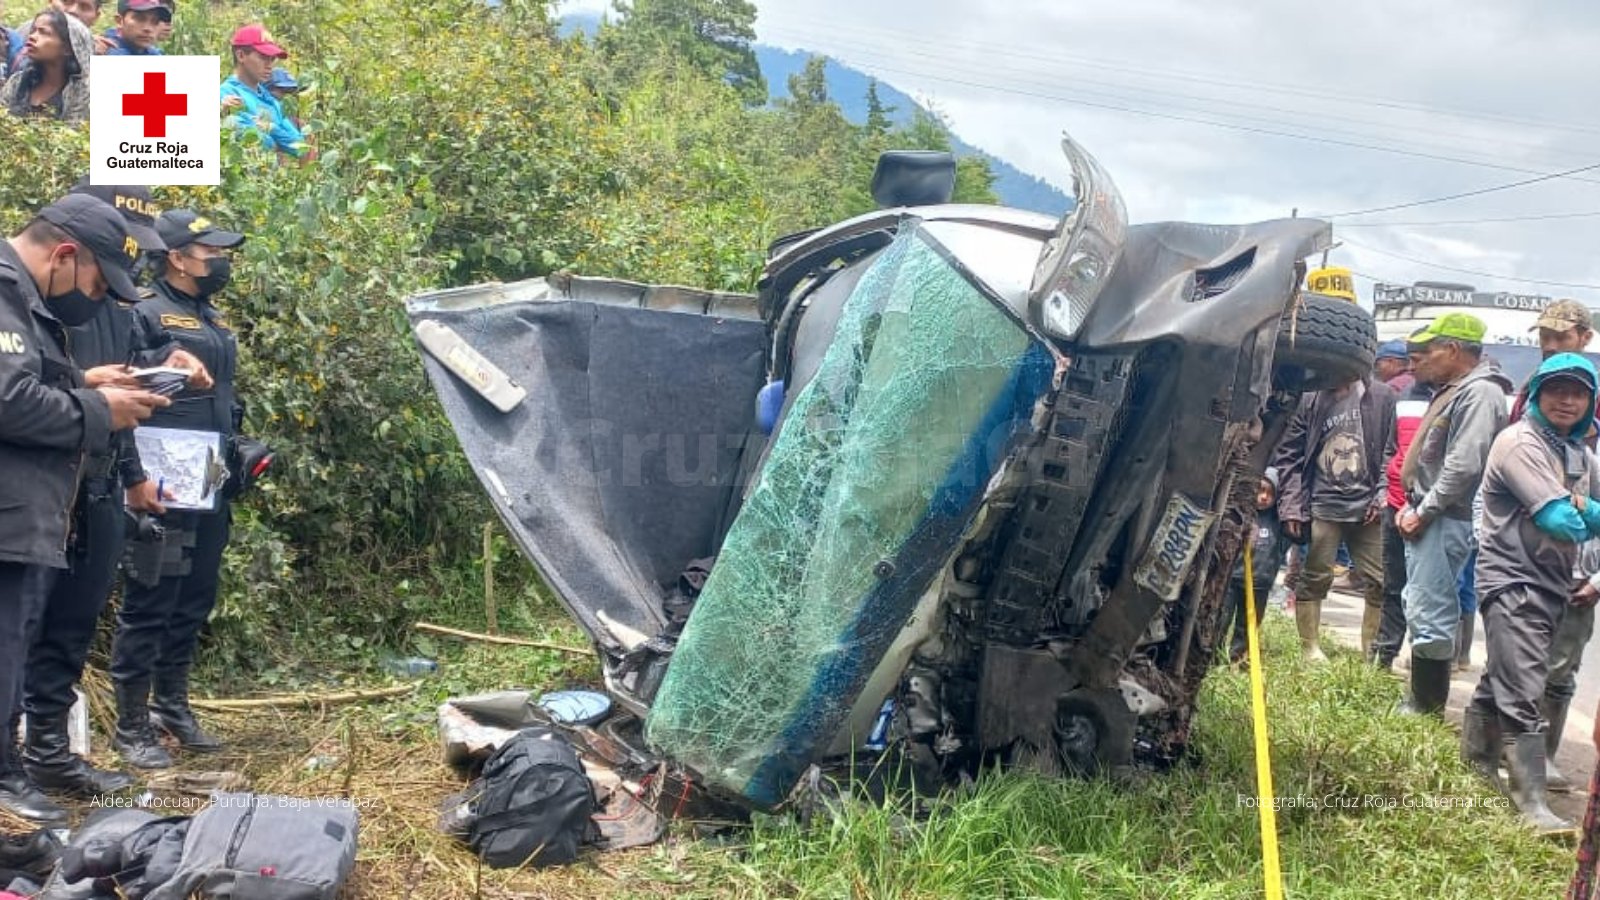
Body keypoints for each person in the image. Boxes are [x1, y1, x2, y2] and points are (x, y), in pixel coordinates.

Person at [19, 182, 211, 800]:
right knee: (21, 625)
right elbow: (30, 392)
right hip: (41, 482)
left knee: (71, 624)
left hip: (94, 479)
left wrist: (168, 362)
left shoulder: (113, 303)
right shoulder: (38, 298)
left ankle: (49, 753)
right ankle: (17, 763)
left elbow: (116, 395)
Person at [0, 193, 167, 822]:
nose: (95, 298)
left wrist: (82, 382)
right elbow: (8, 400)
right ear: (66, 254)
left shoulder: (24, 296)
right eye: (98, 281)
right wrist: (100, 411)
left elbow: (25, 380)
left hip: (23, 510)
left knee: (15, 645)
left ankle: (17, 766)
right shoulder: (5, 289)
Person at [110, 209, 246, 768]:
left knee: (194, 597)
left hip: (209, 474)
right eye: (210, 251)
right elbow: (114, 383)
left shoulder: (209, 316)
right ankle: (132, 726)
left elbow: (220, 397)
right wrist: (132, 478)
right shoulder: (143, 313)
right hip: (159, 479)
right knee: (151, 598)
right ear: (177, 257)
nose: (220, 260)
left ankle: (172, 707)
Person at [1462, 353, 1600, 834]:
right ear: (1537, 393)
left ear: (1590, 402)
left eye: (1579, 392)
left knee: (1502, 673)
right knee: (1524, 685)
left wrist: (1582, 504)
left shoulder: (1577, 451)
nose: (1568, 400)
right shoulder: (1519, 442)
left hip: (1553, 582)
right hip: (1514, 578)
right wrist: (1582, 508)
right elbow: (1559, 521)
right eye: (1557, 389)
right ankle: (1532, 805)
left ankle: (1476, 765)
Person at [1397, 313, 1508, 714]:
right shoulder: (1458, 388)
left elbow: (1463, 465)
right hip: (1432, 513)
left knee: (1432, 609)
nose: (1415, 363)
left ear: (1453, 350)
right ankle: (1420, 699)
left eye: (1423, 353)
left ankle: (1425, 707)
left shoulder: (1480, 393)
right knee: (1422, 603)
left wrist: (1424, 511)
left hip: (1446, 517)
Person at [1274, 373, 1396, 661]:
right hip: (1323, 504)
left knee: (1380, 580)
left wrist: (1381, 495)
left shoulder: (1382, 396)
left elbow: (1392, 450)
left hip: (1367, 507)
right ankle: (1310, 650)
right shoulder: (1311, 398)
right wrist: (1292, 504)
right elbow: (1289, 454)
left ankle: (1371, 654)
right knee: (1315, 576)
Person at [1376, 346, 1432, 668]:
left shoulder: (1454, 399)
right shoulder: (1404, 396)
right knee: (1393, 585)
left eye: (1420, 359)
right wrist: (1385, 490)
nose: (1412, 367)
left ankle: (1424, 663)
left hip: (1429, 511)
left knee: (1426, 593)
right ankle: (1382, 658)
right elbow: (1390, 447)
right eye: (1410, 360)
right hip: (1394, 503)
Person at [1224, 470, 1289, 664]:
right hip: (1232, 579)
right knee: (1221, 620)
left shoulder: (1278, 520)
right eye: (1260, 490)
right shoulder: (1239, 515)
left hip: (1260, 582)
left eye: (1270, 493)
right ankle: (1213, 658)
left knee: (1248, 625)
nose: (1264, 497)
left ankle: (1239, 659)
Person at [219, 24, 312, 159]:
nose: (269, 65)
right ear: (241, 55)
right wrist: (276, 143)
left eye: (272, 59)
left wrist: (271, 128)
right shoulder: (226, 95)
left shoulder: (271, 101)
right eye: (263, 57)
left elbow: (300, 148)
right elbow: (258, 142)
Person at [0, 7, 92, 123]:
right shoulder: (17, 82)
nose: (32, 36)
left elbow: (74, 134)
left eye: (43, 32)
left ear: (68, 48)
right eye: (33, 30)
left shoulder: (83, 92)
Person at [101, 0, 168, 56]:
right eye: (139, 19)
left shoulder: (148, 50)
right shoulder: (109, 51)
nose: (148, 28)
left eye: (155, 21)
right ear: (119, 21)